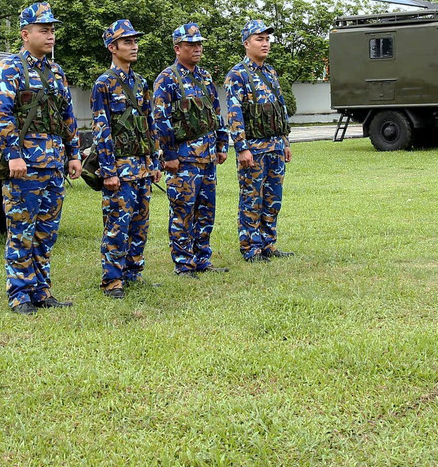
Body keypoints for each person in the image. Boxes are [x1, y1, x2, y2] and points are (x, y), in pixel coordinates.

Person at [0, 2, 81, 315]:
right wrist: (13, 155)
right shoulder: (9, 68)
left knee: (46, 232)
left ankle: (42, 291)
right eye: (44, 30)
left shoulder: (56, 72)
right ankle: (19, 296)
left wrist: (74, 154)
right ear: (25, 34)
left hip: (54, 164)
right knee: (21, 231)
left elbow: (67, 117)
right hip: (24, 166)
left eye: (52, 30)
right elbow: (2, 115)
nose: (50, 35)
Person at [151, 23, 230, 277]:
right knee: (183, 212)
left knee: (206, 211)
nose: (197, 49)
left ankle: (202, 259)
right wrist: (169, 155)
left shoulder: (205, 76)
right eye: (190, 45)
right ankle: (184, 264)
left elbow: (216, 113)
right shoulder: (167, 79)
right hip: (183, 160)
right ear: (177, 48)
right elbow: (160, 119)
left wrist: (221, 144)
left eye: (199, 44)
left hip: (207, 158)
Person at [90, 20, 162, 298]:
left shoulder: (141, 82)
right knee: (117, 225)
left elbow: (148, 124)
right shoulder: (104, 84)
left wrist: (153, 162)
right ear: (113, 47)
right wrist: (108, 170)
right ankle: (112, 280)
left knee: (140, 225)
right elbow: (101, 127)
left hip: (142, 167)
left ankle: (133, 273)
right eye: (127, 42)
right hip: (119, 169)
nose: (134, 46)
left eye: (135, 41)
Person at [227, 19, 294, 262]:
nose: (265, 43)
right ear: (247, 43)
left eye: (267, 39)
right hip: (253, 150)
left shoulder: (271, 73)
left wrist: (285, 141)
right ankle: (251, 248)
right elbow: (235, 114)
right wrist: (242, 148)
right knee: (251, 199)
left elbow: (280, 108)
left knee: (272, 198)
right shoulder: (237, 75)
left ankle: (269, 244)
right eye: (259, 39)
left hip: (275, 147)